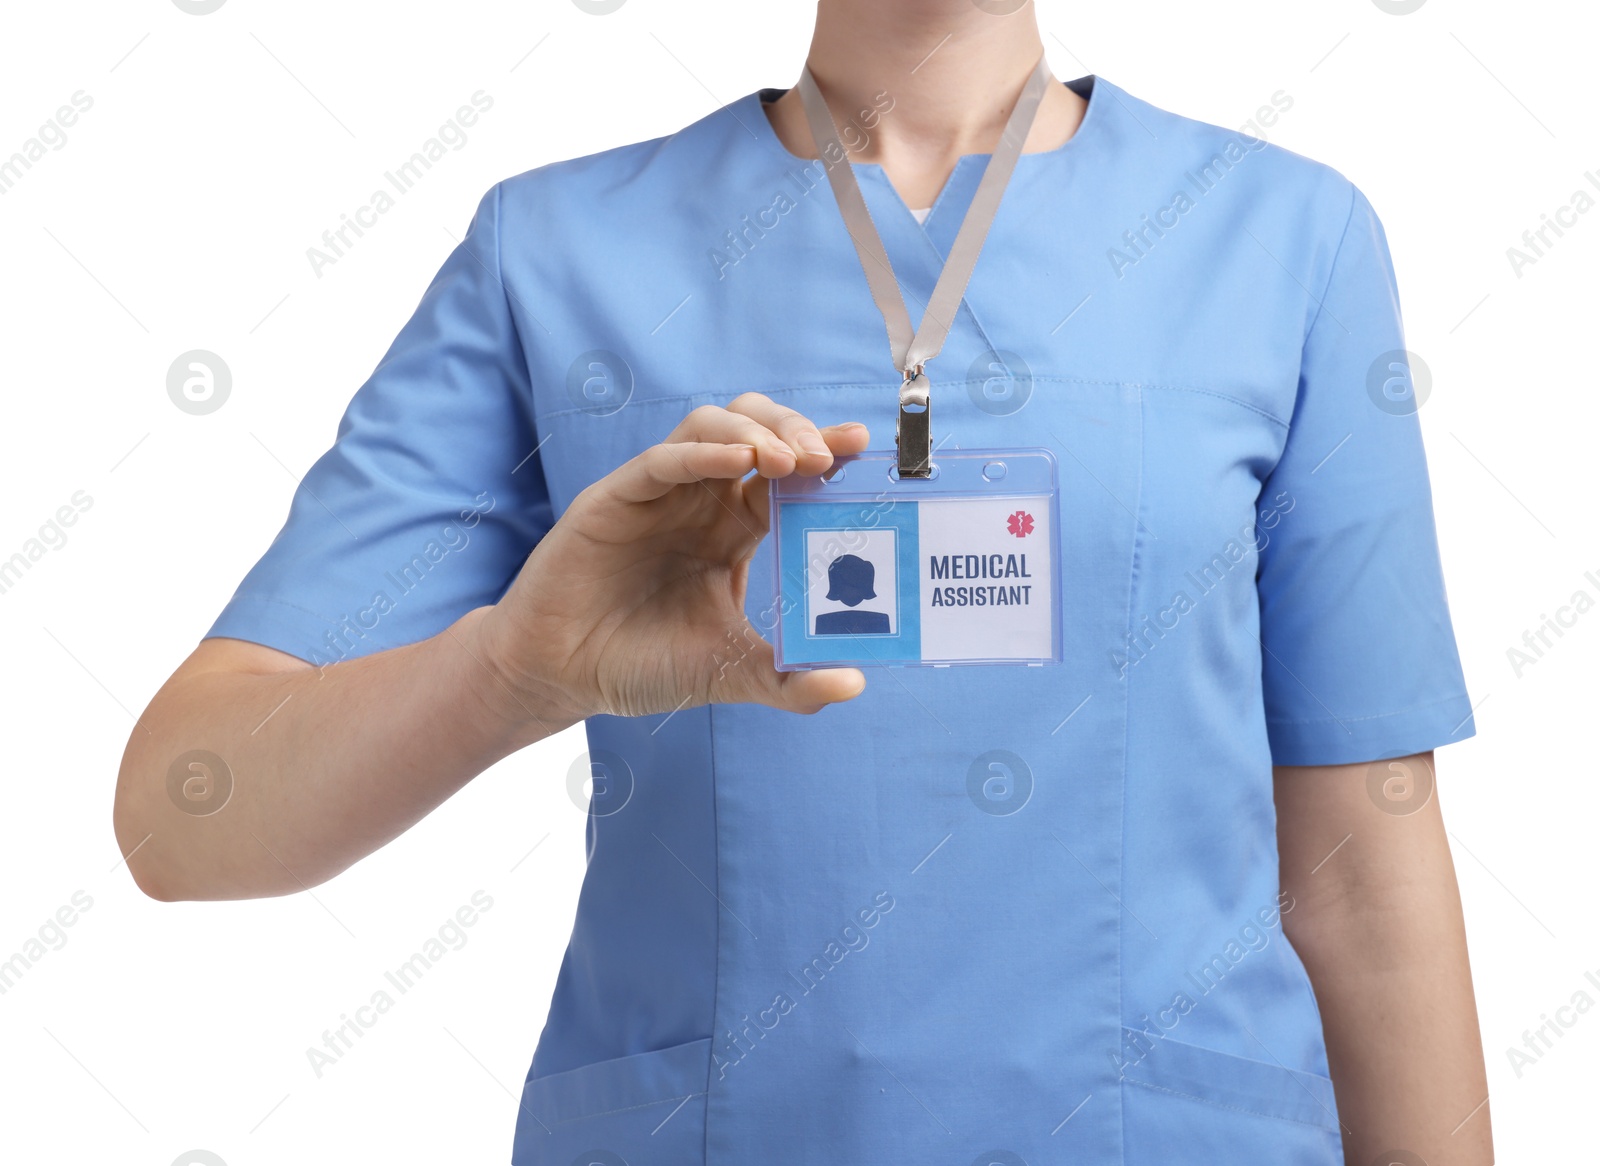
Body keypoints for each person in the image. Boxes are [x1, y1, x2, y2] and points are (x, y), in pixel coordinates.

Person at [113, 2, 1494, 1163]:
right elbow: (181, 817)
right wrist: (506, 674)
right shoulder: (556, 256)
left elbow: (1367, 868)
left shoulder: (1283, 242)